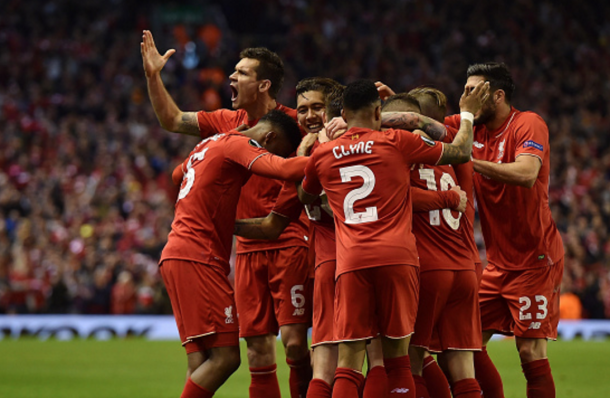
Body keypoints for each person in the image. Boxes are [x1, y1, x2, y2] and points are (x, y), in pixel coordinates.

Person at [141, 31, 312, 398]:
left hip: (290, 239)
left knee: (296, 346)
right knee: (255, 351)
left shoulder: (296, 122)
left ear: (264, 84)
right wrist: (154, 77)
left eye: (241, 72)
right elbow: (171, 119)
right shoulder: (225, 124)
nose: (231, 77)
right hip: (246, 248)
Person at [298, 79, 489, 398]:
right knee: (399, 361)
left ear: (342, 113)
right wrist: (466, 116)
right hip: (399, 259)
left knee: (347, 363)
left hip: (351, 261)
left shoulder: (322, 155)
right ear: (377, 112)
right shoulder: (396, 141)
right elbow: (460, 150)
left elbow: (306, 195)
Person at [159, 110, 312, 398]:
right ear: (269, 137)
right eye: (274, 150)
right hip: (198, 256)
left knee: (200, 362)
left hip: (175, 251)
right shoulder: (239, 144)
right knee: (227, 358)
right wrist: (317, 153)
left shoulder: (208, 144)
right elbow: (285, 170)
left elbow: (177, 175)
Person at [443, 63, 564, 398]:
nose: (464, 98)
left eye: (473, 91)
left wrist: (464, 157)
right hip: (496, 265)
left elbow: (526, 173)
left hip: (535, 260)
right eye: (464, 90)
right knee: (460, 343)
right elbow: (425, 124)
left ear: (497, 95)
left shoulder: (528, 123)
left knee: (529, 352)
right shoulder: (470, 126)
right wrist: (397, 106)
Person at [382, 93, 482, 398]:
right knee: (463, 366)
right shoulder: (458, 155)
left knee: (411, 361)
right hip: (465, 269)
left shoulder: (401, 155)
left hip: (427, 268)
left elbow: (393, 195)